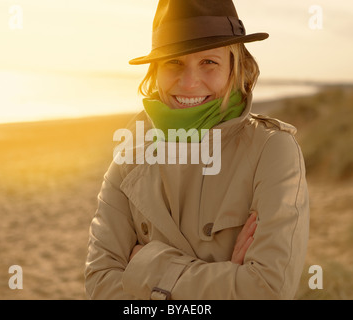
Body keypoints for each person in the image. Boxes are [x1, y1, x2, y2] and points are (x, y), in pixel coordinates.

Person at [85, 0, 309, 300]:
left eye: (209, 62)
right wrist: (225, 277)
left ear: (236, 67)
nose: (189, 83)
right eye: (173, 62)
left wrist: (143, 266)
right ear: (155, 71)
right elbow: (100, 284)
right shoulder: (132, 151)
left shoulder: (273, 150)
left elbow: (267, 290)